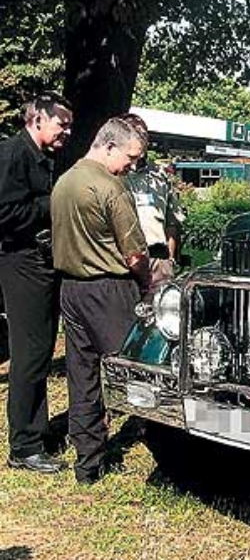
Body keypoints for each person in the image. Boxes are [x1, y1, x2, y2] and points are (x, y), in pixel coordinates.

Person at [51, 117, 150, 484]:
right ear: (109, 146)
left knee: (82, 375)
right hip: (110, 289)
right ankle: (161, 445)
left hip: (71, 289)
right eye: (131, 157)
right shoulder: (111, 187)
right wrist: (146, 285)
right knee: (137, 370)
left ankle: (87, 463)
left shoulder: (64, 182)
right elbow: (135, 254)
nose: (132, 165)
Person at [0, 92, 72, 474]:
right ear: (38, 119)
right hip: (21, 261)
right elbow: (6, 213)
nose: (67, 131)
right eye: (62, 123)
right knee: (29, 354)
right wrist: (53, 203)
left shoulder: (43, 156)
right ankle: (24, 446)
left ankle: (36, 434)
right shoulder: (13, 155)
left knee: (41, 350)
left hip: (40, 261)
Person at [119, 113, 185, 289]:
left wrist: (169, 259)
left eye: (144, 135)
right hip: (124, 261)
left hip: (158, 258)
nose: (142, 140)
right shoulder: (114, 174)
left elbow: (173, 220)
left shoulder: (159, 174)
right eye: (136, 134)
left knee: (163, 305)